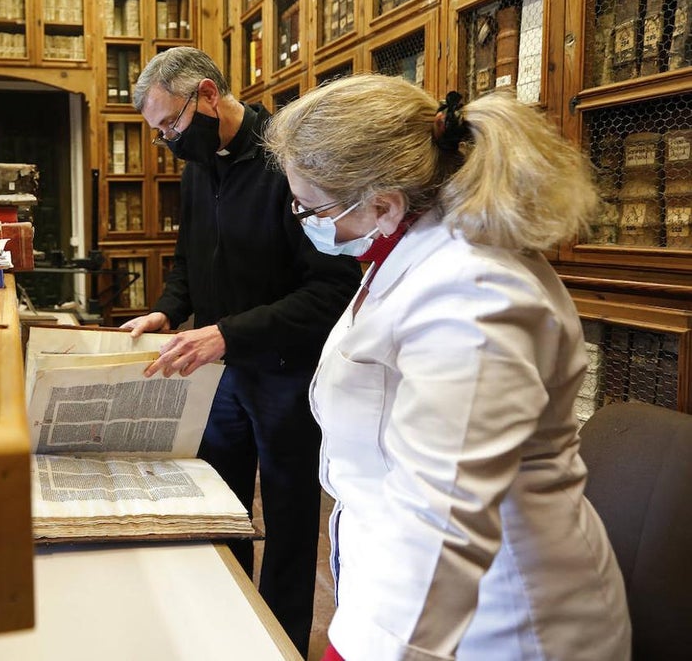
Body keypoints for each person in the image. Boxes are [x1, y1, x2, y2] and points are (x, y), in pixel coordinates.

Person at [264, 73, 632, 661]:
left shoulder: (472, 294)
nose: (303, 220)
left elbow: (441, 515)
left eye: (309, 208)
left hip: (497, 622)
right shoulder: (409, 256)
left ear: (382, 205)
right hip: (409, 590)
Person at [123, 46, 362, 656]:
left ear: (206, 94)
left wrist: (230, 333)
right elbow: (190, 260)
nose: (169, 142)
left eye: (170, 125)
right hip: (220, 371)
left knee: (286, 524)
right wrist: (168, 309)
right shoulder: (198, 165)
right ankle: (224, 629)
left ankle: (277, 642)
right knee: (219, 508)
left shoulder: (287, 161)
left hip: (285, 373)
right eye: (158, 134)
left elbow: (332, 288)